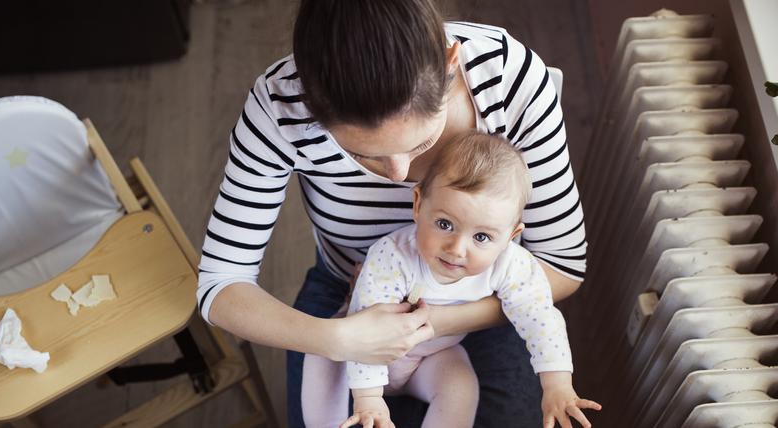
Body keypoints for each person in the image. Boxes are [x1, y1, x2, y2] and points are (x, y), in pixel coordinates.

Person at [196, 0, 589, 426]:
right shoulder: (279, 106)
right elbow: (221, 284)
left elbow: (561, 266)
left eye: (420, 144)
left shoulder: (508, 78)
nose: (401, 176)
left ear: (450, 64)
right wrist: (338, 338)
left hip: (484, 298)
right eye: (363, 155)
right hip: (346, 295)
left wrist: (433, 320)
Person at [301, 132, 599, 428]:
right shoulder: (393, 255)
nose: (456, 249)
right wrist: (369, 399)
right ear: (418, 205)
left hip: (430, 357)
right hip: (359, 350)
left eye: (481, 237)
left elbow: (540, 318)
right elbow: (367, 328)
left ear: (511, 236)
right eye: (445, 224)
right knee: (320, 355)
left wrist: (557, 384)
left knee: (460, 387)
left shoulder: (512, 265)